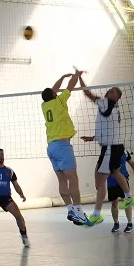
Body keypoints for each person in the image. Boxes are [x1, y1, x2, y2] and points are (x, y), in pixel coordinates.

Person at [79, 73, 134, 225]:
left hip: (112, 148)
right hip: (111, 147)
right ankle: (127, 198)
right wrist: (93, 137)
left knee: (101, 178)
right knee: (112, 173)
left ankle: (97, 213)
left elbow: (87, 93)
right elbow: (107, 130)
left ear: (117, 97)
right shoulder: (111, 108)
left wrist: (79, 77)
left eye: (114, 91)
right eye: (111, 89)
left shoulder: (106, 104)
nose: (111, 91)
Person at [41, 71, 89, 226]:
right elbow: (71, 85)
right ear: (55, 95)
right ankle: (79, 212)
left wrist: (61, 77)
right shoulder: (59, 101)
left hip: (51, 147)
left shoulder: (44, 105)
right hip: (62, 146)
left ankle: (70, 209)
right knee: (73, 179)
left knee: (62, 180)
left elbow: (53, 90)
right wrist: (76, 75)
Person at [109, 151, 134, 234]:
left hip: (123, 179)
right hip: (111, 180)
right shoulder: (106, 151)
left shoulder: (124, 151)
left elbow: (132, 163)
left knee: (127, 200)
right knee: (114, 203)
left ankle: (130, 224)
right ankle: (116, 224)